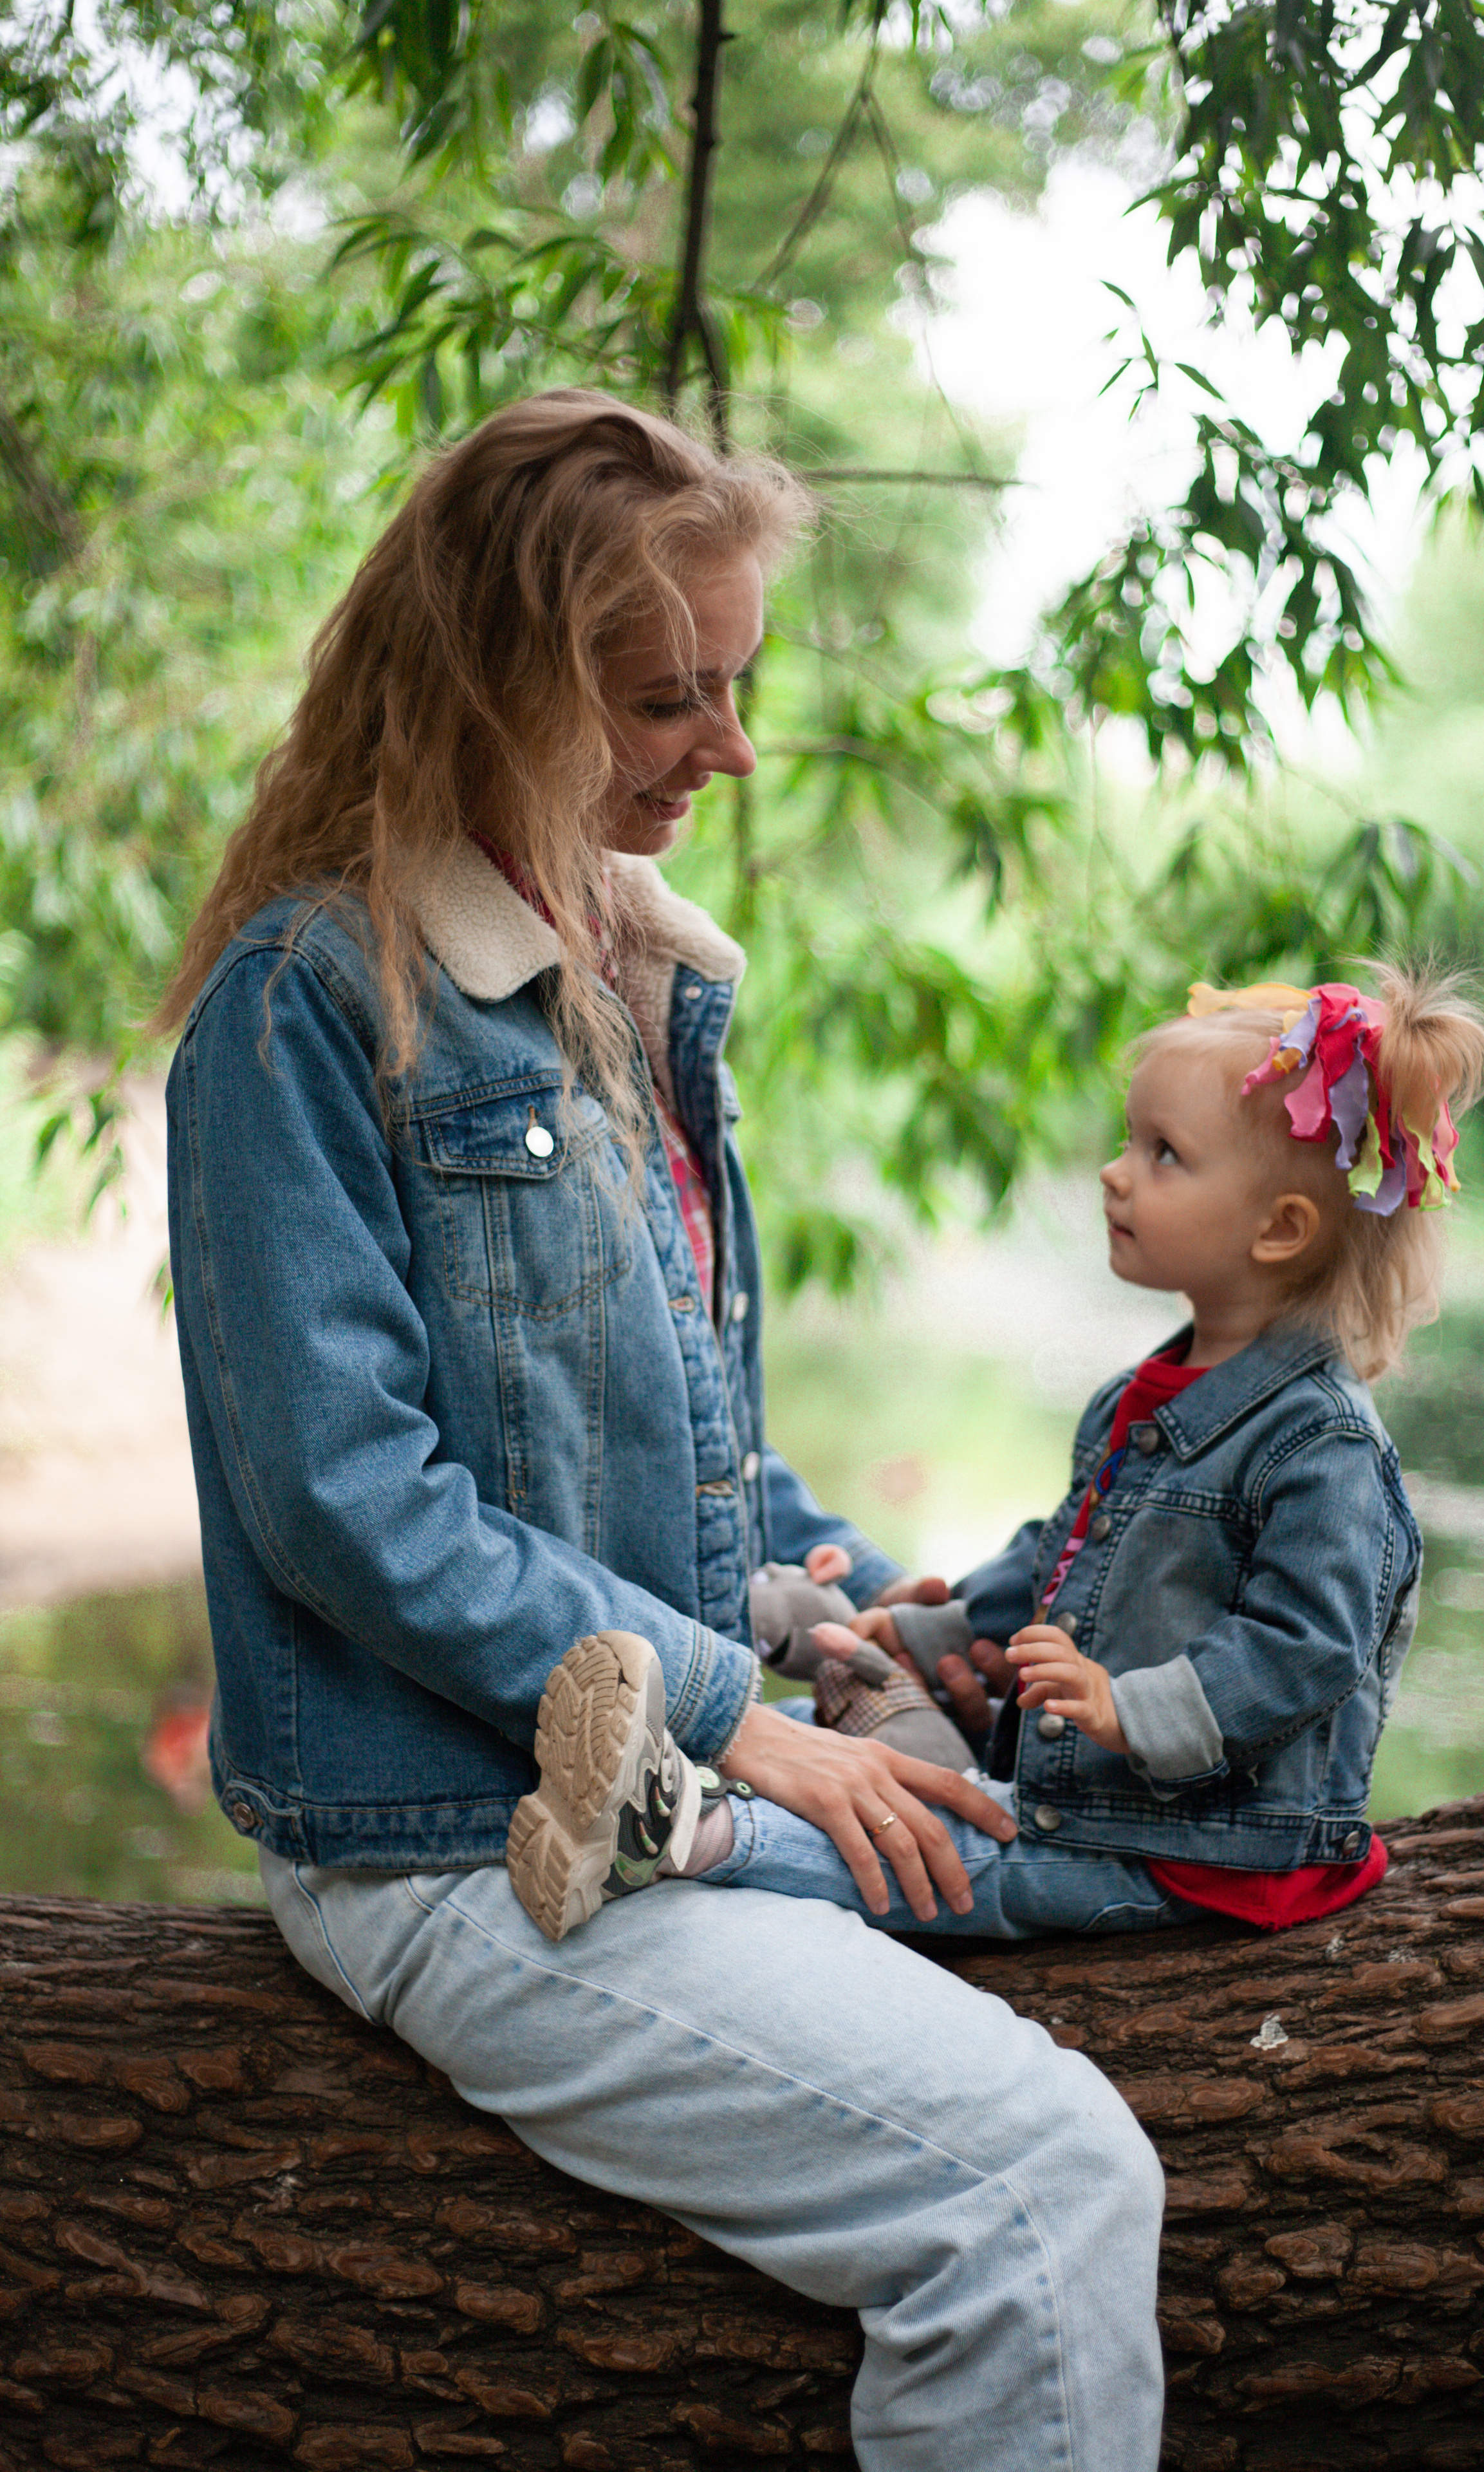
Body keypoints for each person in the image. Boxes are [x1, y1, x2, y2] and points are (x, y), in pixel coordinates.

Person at [158, 387, 1167, 2472]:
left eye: (740, 681)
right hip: (457, 1840)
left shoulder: (626, 985)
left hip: (665, 1791)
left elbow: (689, 1445)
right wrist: (735, 1714)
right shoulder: (311, 1004)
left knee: (1122, 1841)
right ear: (497, 689)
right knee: (1043, 2187)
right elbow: (352, 1504)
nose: (732, 748)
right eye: (663, 698)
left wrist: (851, 1612)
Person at [512, 968, 1484, 1945]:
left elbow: (1310, 1649)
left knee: (947, 1856)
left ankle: (686, 1837)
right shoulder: (1152, 1392)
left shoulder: (1322, 1444)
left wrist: (1124, 1705)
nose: (1115, 1172)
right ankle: (668, 1765)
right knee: (865, 1733)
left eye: (1163, 1156)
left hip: (1201, 1850)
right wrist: (940, 1626)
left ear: (1280, 1230)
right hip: (1095, 1794)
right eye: (1127, 1141)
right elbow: (1068, 1554)